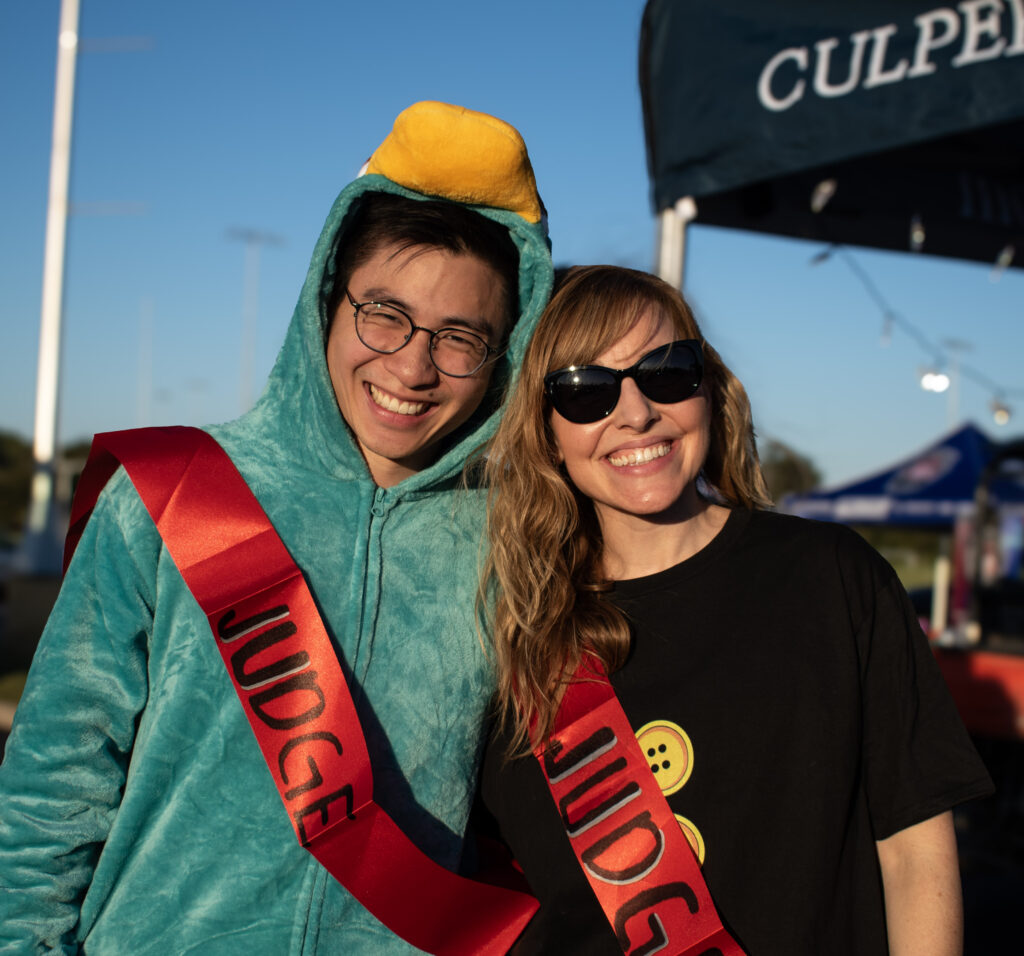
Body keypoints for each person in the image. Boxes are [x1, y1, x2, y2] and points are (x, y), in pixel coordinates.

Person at [0, 101, 553, 953]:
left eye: (460, 338)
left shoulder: (517, 536)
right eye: (385, 314)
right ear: (328, 300)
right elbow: (55, 778)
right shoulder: (176, 493)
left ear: (503, 356)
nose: (411, 365)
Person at [478, 265, 993, 955]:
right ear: (544, 430)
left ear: (708, 387)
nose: (634, 413)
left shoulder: (833, 578)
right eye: (585, 392)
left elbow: (913, 849)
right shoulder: (510, 634)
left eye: (666, 371)